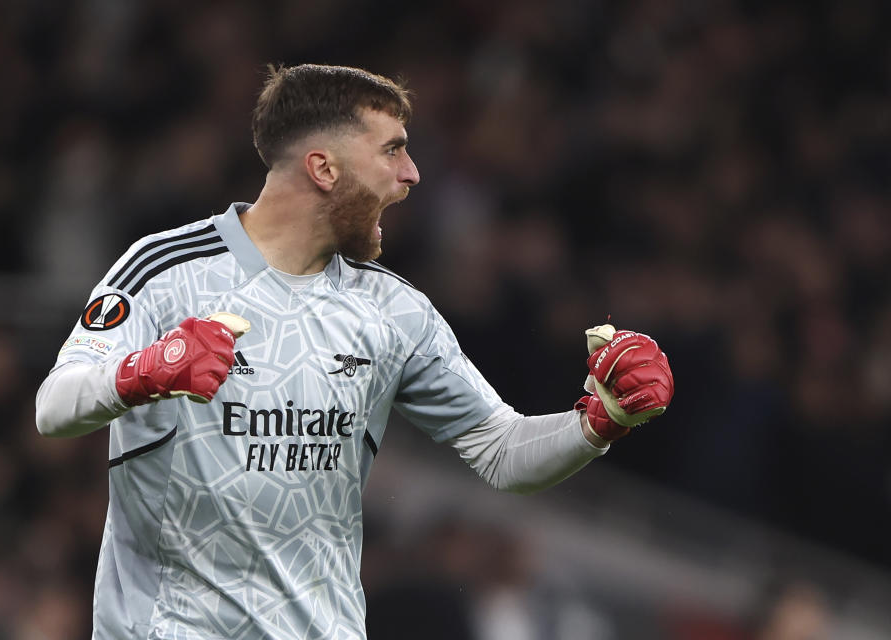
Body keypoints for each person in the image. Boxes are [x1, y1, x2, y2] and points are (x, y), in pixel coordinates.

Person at [35, 63, 674, 640]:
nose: (412, 173)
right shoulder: (165, 270)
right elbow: (54, 406)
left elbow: (502, 453)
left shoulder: (393, 310)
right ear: (324, 168)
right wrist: (141, 375)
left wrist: (599, 422)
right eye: (393, 150)